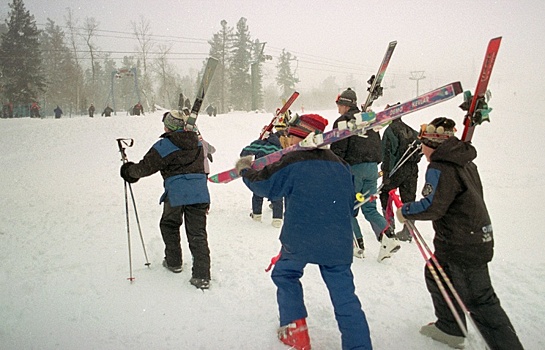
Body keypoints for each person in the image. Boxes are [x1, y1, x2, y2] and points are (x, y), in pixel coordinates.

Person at [236, 114, 372, 350]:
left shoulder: (292, 161)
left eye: (287, 135)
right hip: (337, 240)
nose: (284, 140)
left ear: (296, 136)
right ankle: (359, 346)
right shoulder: (341, 165)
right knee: (345, 295)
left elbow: (266, 186)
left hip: (300, 238)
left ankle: (295, 332)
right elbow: (350, 203)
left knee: (285, 274)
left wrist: (245, 171)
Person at [396, 117, 524, 350]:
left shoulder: (440, 166)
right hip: (466, 237)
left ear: (432, 144)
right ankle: (450, 327)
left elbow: (432, 205)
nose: (422, 149)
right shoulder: (463, 161)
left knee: (480, 301)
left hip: (464, 243)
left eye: (423, 143)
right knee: (436, 273)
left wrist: (406, 210)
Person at [119, 110, 212, 290]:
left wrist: (128, 171)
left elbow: (145, 168)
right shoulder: (198, 144)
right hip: (199, 192)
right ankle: (202, 276)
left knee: (169, 224)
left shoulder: (165, 145)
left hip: (176, 192)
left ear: (169, 126)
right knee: (197, 233)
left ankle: (174, 261)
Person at [331, 88, 399, 261]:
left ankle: (356, 245)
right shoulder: (368, 121)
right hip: (371, 169)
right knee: (369, 208)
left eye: (339, 104)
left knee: (347, 207)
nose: (338, 108)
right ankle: (388, 238)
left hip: (353, 169)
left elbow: (338, 149)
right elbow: (378, 144)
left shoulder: (343, 122)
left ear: (345, 104)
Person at [380, 111, 422, 242]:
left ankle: (389, 225)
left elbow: (387, 153)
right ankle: (408, 230)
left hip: (396, 169)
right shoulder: (410, 130)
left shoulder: (390, 130)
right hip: (412, 169)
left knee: (385, 194)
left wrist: (386, 172)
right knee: (409, 199)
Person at [239, 125, 284, 228]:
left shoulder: (259, 143)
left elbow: (244, 153)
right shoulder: (278, 145)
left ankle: (257, 215)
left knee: (257, 192)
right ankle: (277, 219)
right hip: (275, 173)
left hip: (260, 173)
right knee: (277, 195)